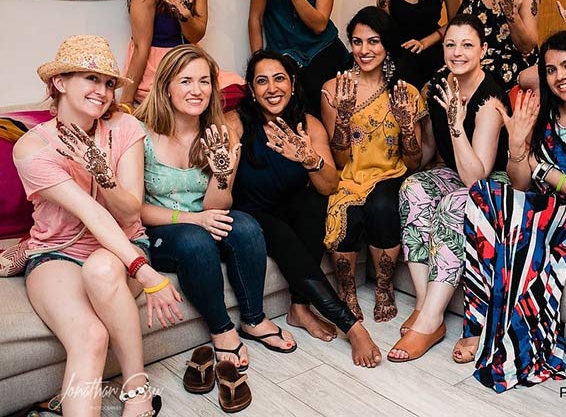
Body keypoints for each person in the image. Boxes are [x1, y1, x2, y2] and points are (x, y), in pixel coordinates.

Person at [13, 35, 182, 416]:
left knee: (103, 266)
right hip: (56, 254)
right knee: (90, 336)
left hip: (118, 248)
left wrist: (104, 176)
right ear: (60, 82)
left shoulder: (124, 128)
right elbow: (90, 214)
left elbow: (128, 212)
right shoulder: (32, 147)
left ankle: (135, 385)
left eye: (108, 83)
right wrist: (146, 273)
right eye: (91, 79)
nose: (103, 91)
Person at [135, 44, 297, 380]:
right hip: (162, 227)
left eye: (204, 81)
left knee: (247, 226)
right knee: (195, 241)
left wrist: (222, 172)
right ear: (166, 85)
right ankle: (221, 329)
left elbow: (216, 207)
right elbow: (137, 208)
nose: (197, 91)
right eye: (186, 81)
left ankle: (253, 319)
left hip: (205, 217)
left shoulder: (220, 132)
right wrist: (194, 220)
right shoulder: (141, 133)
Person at [460, 29, 566, 392]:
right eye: (551, 70)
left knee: (518, 222)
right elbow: (521, 182)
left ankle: (511, 338)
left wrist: (543, 171)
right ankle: (478, 323)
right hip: (540, 203)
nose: (560, 76)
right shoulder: (542, 110)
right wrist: (519, 145)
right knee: (483, 197)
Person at [227, 49, 382, 368]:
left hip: (291, 205)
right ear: (252, 91)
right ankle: (351, 325)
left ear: (293, 84)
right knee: (282, 232)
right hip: (250, 214)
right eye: (262, 81)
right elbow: (222, 184)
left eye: (279, 78)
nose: (272, 88)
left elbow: (329, 186)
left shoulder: (308, 124)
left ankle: (299, 307)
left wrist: (309, 159)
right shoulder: (236, 122)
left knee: (315, 203)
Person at [388, 13, 509, 363]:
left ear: (483, 51)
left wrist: (457, 126)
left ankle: (429, 320)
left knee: (454, 204)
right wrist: (409, 129)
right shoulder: (441, 83)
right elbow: (427, 153)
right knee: (413, 187)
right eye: (450, 44)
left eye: (467, 45)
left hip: (493, 184)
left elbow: (477, 179)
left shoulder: (490, 100)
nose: (457, 52)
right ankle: (426, 305)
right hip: (457, 171)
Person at [320, 6, 426, 324]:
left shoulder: (404, 92)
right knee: (347, 213)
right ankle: (348, 291)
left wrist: (407, 124)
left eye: (373, 41)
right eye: (357, 41)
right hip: (349, 175)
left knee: (382, 205)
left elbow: (414, 160)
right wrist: (342, 116)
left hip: (390, 172)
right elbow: (338, 159)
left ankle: (383, 287)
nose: (364, 50)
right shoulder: (334, 89)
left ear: (386, 45)